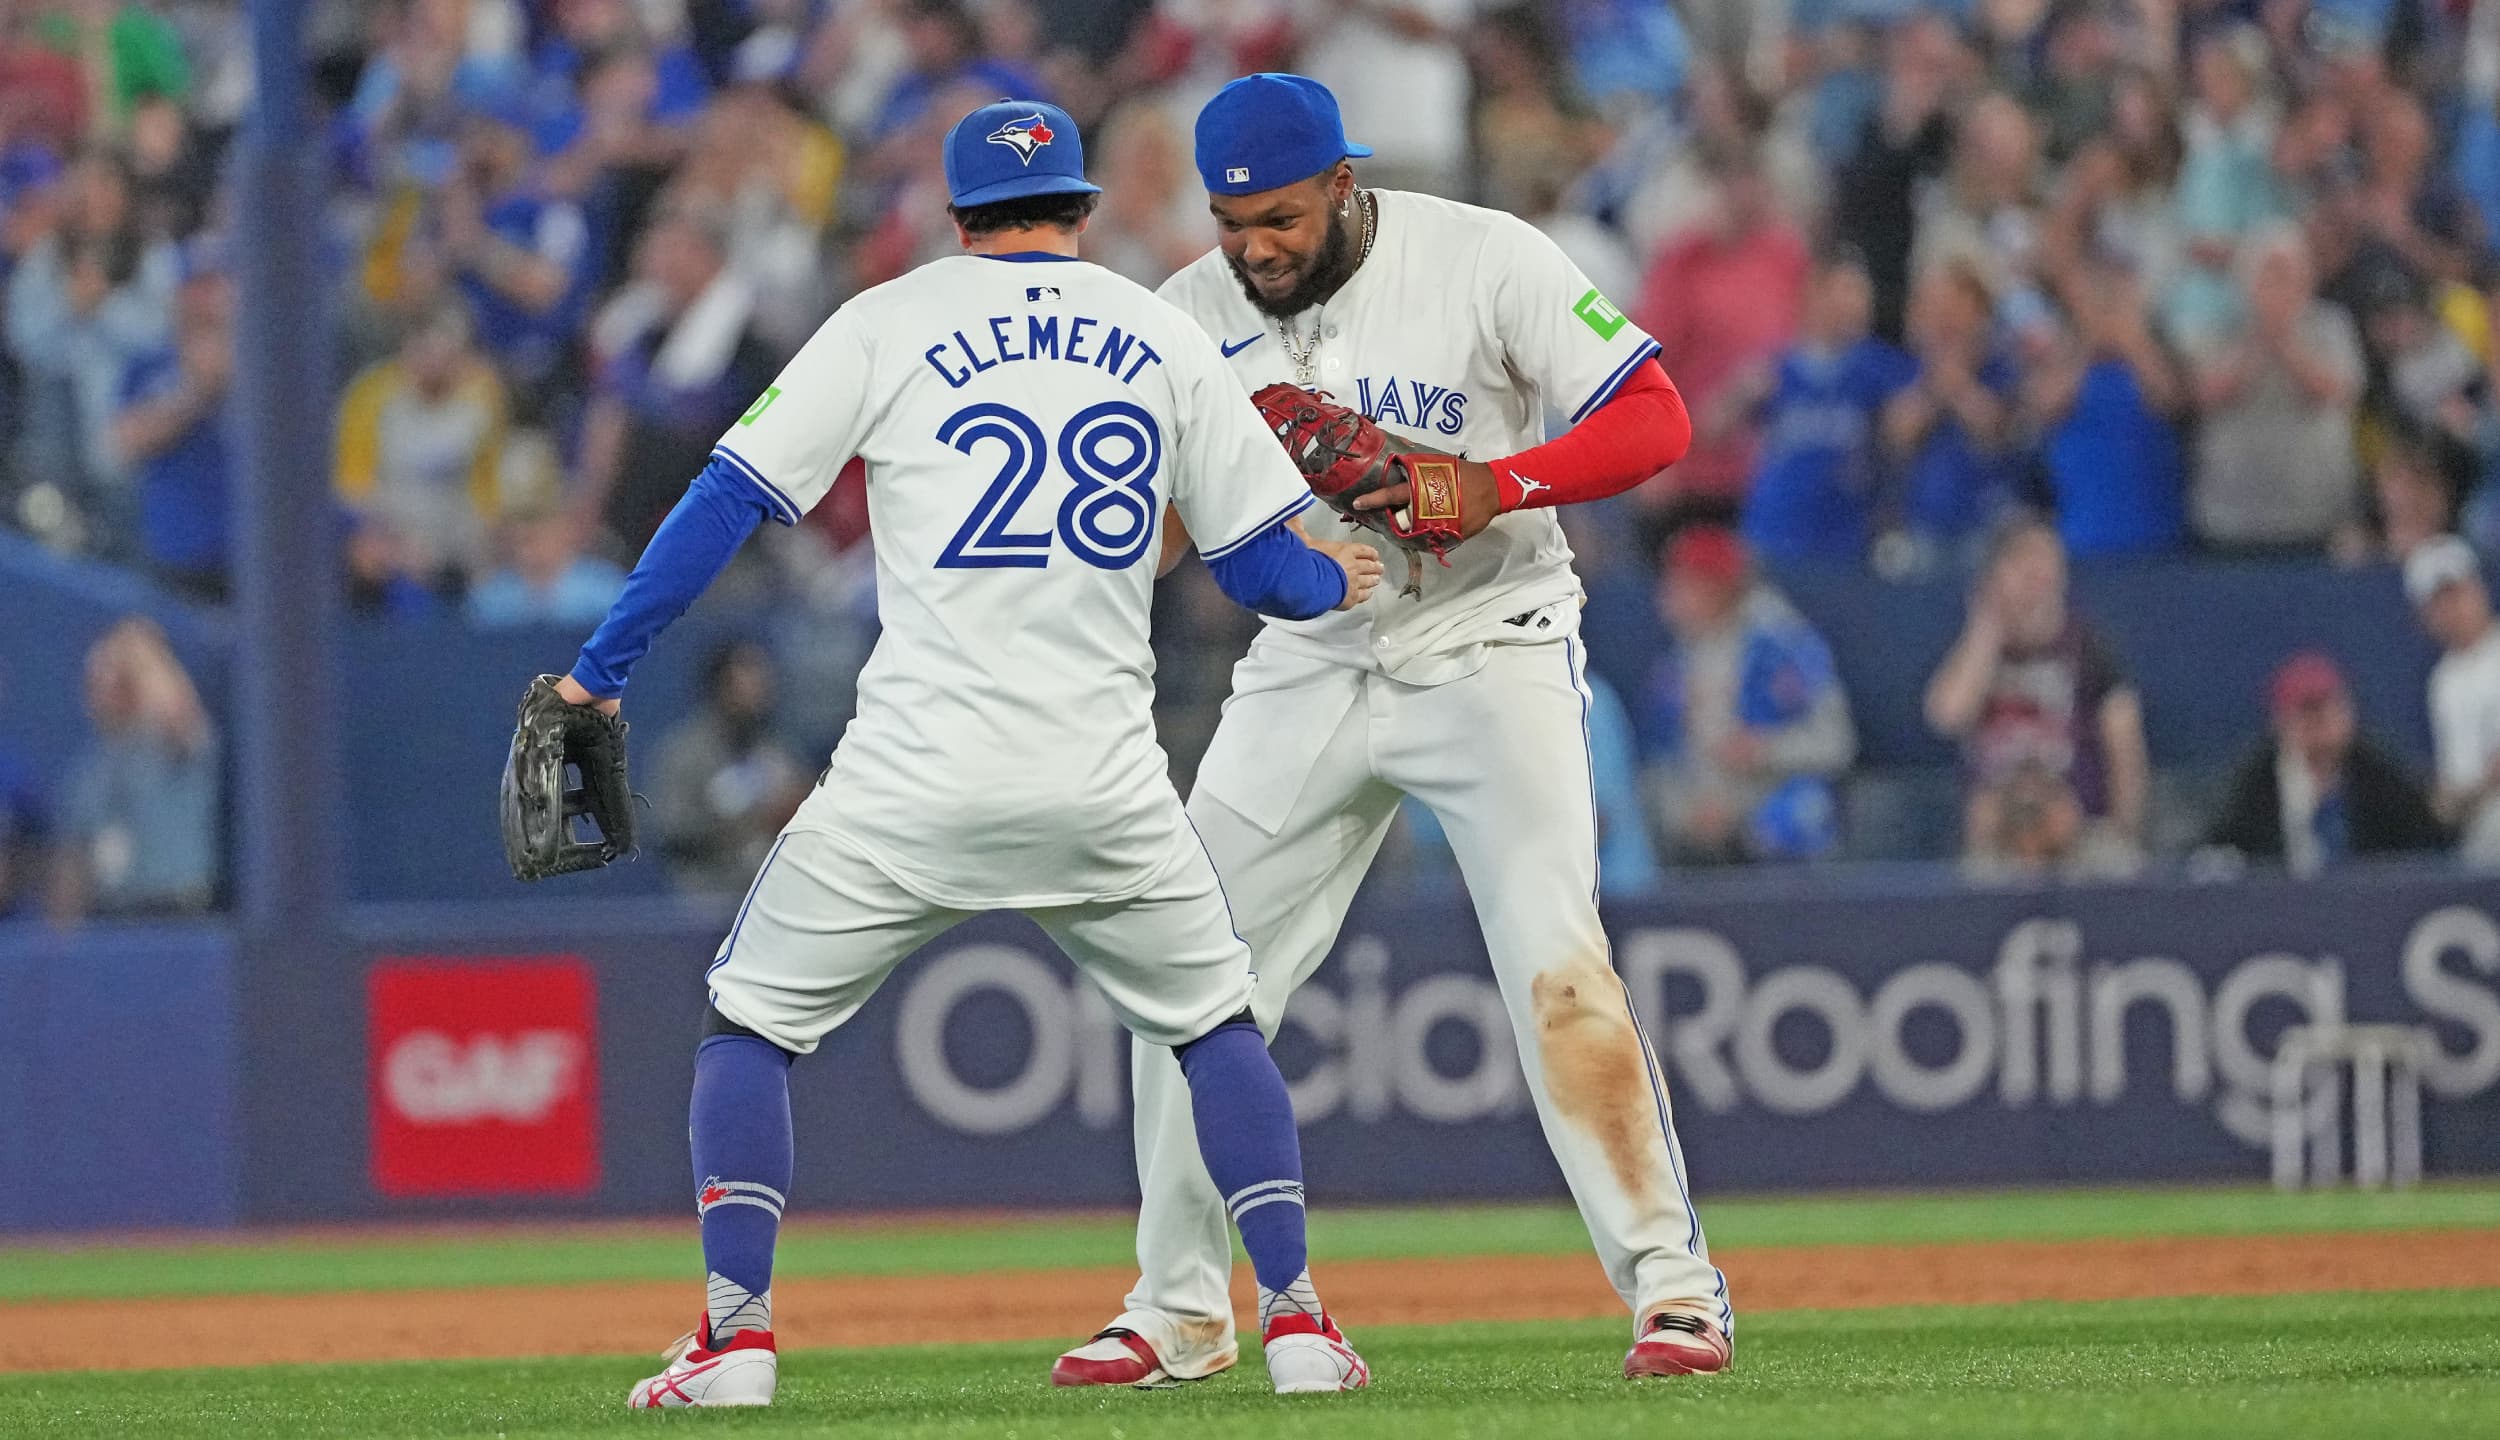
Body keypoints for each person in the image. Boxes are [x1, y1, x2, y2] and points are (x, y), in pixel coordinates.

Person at [552, 100, 1384, 1408]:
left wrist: (599, 668)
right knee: (1217, 1029)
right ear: (1080, 207)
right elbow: (1262, 568)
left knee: (749, 1027)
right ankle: (1295, 1324)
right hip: (1103, 785)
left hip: (912, 780)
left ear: (955, 217)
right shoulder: (1159, 331)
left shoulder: (888, 317)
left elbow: (730, 498)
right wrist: (1339, 580)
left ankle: (736, 1339)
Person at [1057, 73, 1729, 1390]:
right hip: (1315, 656)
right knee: (1184, 963)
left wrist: (1490, 483)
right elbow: (1161, 528)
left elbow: (1658, 418)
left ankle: (1676, 1294)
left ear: (1343, 186)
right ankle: (1181, 1307)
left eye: (1280, 217)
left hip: (1493, 642)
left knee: (1559, 966)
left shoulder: (1482, 256)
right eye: (1232, 218)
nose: (1254, 244)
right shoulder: (1189, 316)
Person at [1925, 518, 2149, 878]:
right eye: (2023, 563)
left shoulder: (2087, 649)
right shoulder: (1978, 650)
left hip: (2079, 826)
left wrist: (2125, 827)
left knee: (2115, 866)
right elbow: (1948, 716)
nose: (2036, 578)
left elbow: (2124, 739)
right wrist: (1986, 632)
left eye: (2046, 563)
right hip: (1998, 828)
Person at [1639, 526, 1855, 865]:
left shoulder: (1784, 646)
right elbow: (1662, 758)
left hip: (1769, 802)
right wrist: (1691, 810)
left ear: (1719, 587)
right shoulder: (1675, 660)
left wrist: (1763, 749)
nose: (1669, 596)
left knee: (1802, 810)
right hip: (1701, 813)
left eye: (1686, 584)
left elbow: (1836, 743)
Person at [1738, 247, 1916, 562]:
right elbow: (1711, 426)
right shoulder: (1776, 369)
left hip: (1847, 540)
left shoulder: (1879, 369)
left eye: (1864, 293)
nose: (1861, 304)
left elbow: (1904, 436)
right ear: (1815, 294)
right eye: (1849, 291)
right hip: (1774, 534)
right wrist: (1740, 394)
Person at [2205, 651, 2448, 875]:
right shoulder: (2258, 781)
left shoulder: (2378, 772)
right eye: (2305, 715)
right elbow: (2220, 847)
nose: (2319, 728)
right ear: (2281, 723)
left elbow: (2426, 843)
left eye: (2326, 711)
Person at [51, 616, 218, 921]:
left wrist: (132, 648)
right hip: (111, 916)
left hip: (175, 912)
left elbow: (173, 700)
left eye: (116, 681)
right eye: (94, 683)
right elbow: (74, 858)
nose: (102, 691)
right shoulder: (90, 768)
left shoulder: (169, 741)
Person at [652, 641, 811, 895]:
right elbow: (674, 837)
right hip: (703, 899)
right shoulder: (686, 754)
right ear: (721, 686)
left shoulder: (775, 751)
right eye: (746, 680)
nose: (758, 690)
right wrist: (752, 823)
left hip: (770, 896)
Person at [2409, 535, 2500, 867]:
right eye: (2438, 600)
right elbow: (2456, 783)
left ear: (2479, 589)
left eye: (2457, 591)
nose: (2452, 608)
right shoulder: (2442, 682)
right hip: (2479, 853)